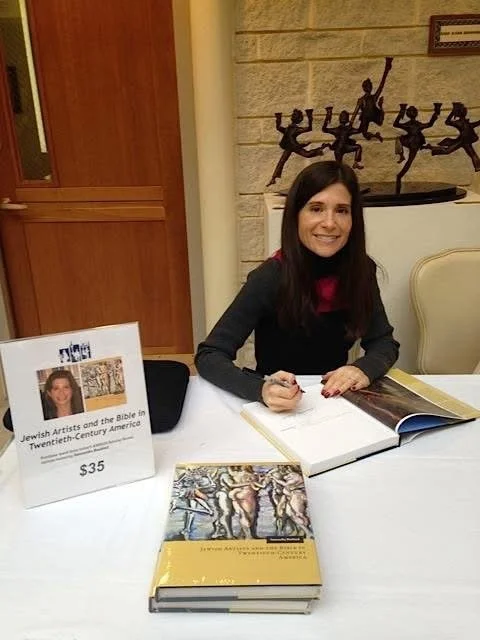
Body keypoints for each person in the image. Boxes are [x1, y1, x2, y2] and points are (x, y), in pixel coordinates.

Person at [195, 160, 399, 412]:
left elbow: (384, 343)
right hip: (280, 406)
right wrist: (260, 388)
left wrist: (362, 369)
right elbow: (209, 355)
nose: (329, 223)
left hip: (334, 404)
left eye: (342, 210)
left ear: (353, 219)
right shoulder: (270, 276)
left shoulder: (361, 271)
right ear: (296, 216)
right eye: (316, 208)